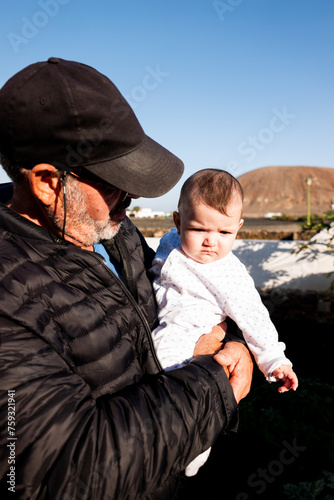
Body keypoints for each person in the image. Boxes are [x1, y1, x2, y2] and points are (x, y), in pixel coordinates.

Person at [0, 58, 253, 500]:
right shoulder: (9, 294)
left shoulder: (109, 227)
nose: (132, 199)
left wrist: (235, 340)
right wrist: (212, 381)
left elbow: (191, 289)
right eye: (116, 181)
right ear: (48, 183)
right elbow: (62, 474)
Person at [150, 168, 298, 476]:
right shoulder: (169, 242)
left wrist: (274, 360)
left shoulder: (229, 273)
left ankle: (194, 451)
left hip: (190, 336)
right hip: (159, 324)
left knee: (176, 392)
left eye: (224, 233)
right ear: (178, 223)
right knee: (153, 390)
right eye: (199, 229)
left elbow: (254, 318)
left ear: (238, 228)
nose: (210, 242)